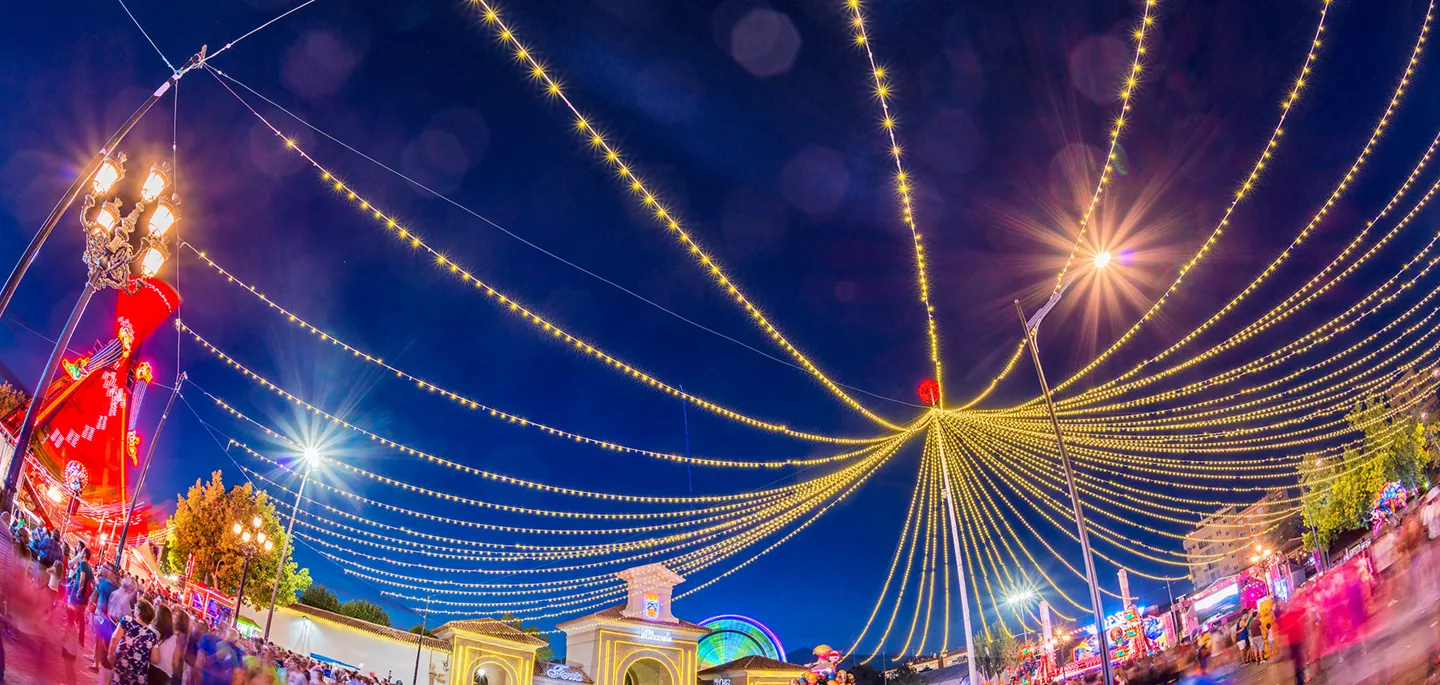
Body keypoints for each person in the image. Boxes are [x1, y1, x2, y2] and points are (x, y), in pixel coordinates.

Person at [111, 598, 161, 685]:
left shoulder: (127, 621)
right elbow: (155, 659)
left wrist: (110, 654)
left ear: (139, 612)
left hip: (121, 666)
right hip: (138, 673)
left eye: (136, 607)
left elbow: (115, 638)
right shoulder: (152, 635)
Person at [150, 604, 176, 685]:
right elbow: (174, 661)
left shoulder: (151, 631)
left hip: (152, 669)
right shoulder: (174, 639)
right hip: (166, 674)